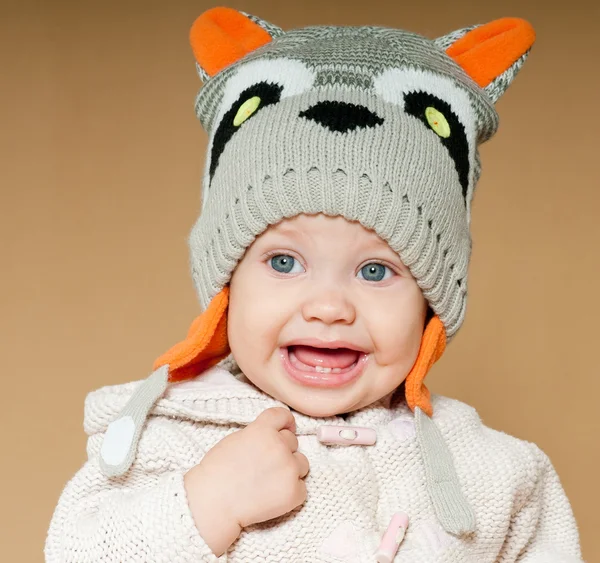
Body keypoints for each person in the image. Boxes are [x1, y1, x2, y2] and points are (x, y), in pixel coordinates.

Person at [45, 7, 583, 562]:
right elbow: (75, 551)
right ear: (227, 285)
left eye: (375, 271)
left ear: (431, 305)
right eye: (283, 263)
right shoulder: (172, 440)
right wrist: (206, 503)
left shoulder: (496, 475)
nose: (328, 307)